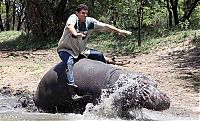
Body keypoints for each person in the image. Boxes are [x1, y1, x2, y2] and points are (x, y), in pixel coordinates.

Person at [57, 4, 132, 100]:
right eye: (82, 13)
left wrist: (119, 31)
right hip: (66, 49)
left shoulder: (90, 22)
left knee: (99, 55)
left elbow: (105, 26)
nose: (84, 15)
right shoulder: (73, 18)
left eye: (86, 13)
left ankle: (106, 76)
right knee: (69, 63)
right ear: (77, 13)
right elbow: (70, 25)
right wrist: (75, 33)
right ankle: (72, 91)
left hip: (81, 50)